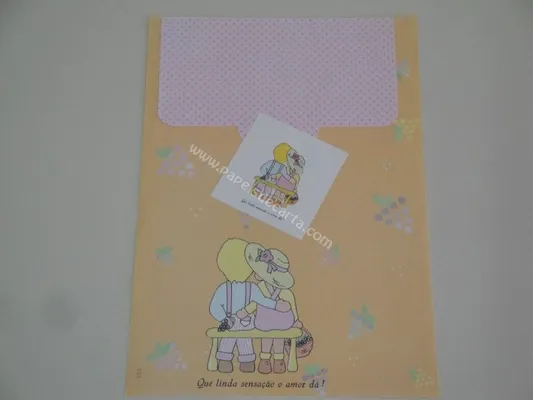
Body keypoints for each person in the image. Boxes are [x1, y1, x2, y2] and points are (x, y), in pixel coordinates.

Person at [208, 238, 290, 373]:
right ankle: (225, 360)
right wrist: (224, 319)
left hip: (246, 322)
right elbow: (214, 307)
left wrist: (276, 305)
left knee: (245, 341)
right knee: (227, 342)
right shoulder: (224, 289)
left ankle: (246, 361)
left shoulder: (251, 288)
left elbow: (263, 301)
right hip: (229, 323)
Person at [236, 242, 302, 374]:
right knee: (269, 337)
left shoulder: (284, 292)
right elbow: (255, 303)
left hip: (276, 323)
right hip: (268, 322)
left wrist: (296, 319)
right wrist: (246, 310)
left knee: (278, 338)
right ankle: (266, 359)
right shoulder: (261, 288)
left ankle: (277, 360)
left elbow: (292, 305)